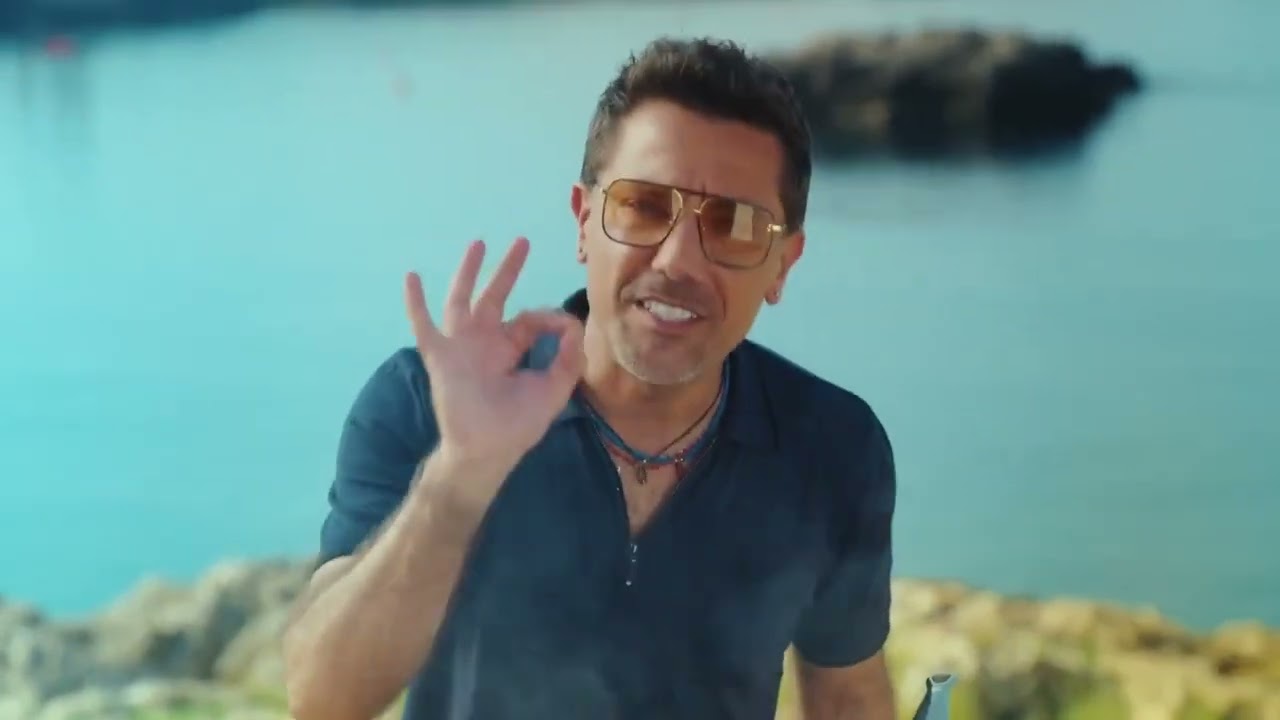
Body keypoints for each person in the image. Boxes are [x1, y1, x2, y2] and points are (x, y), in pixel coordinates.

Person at [282, 36, 898, 720]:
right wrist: (459, 475)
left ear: (783, 264)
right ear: (584, 221)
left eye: (737, 224)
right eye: (644, 206)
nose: (678, 260)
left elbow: (847, 697)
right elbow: (320, 698)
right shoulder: (426, 402)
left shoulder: (831, 447)